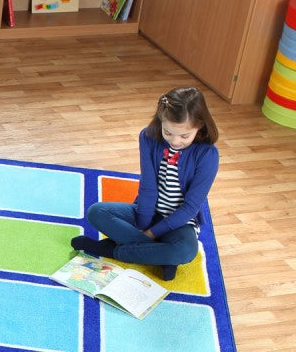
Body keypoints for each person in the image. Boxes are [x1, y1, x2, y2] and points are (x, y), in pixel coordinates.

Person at [70, 87, 219, 281]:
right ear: (160, 120)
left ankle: (112, 250)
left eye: (184, 136)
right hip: (145, 211)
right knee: (96, 212)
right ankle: (161, 257)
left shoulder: (208, 155)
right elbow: (148, 187)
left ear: (200, 127)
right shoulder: (148, 137)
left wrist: (152, 233)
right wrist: (143, 225)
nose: (175, 141)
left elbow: (190, 207)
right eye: (168, 132)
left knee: (185, 252)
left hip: (179, 222)